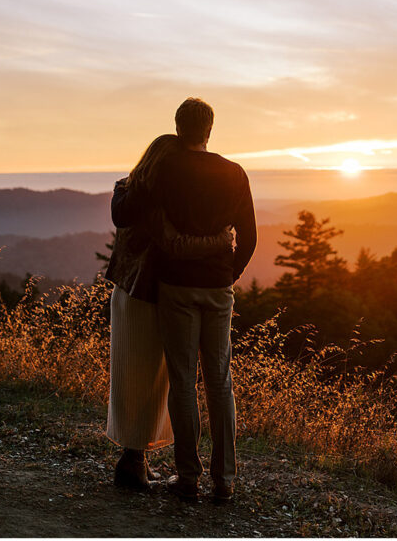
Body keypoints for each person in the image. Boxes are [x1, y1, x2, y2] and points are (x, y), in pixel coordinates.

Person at [104, 133, 233, 490]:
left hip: (126, 291)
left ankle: (134, 461)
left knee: (133, 377)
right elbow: (174, 244)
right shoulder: (157, 198)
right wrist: (222, 242)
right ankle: (133, 463)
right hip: (147, 294)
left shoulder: (127, 188)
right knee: (149, 380)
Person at [151, 98, 257, 504]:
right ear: (210, 129)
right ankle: (225, 479)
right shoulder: (233, 172)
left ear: (179, 128)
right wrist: (226, 277)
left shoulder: (166, 170)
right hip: (217, 288)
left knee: (182, 381)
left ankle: (188, 477)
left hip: (176, 286)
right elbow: (248, 237)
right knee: (219, 381)